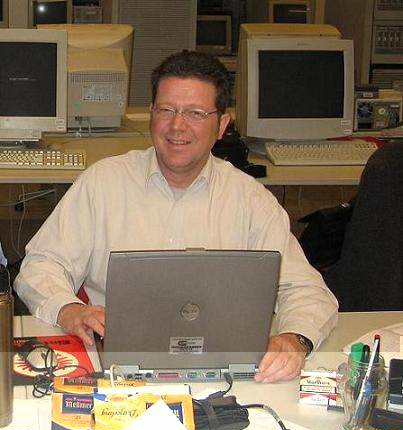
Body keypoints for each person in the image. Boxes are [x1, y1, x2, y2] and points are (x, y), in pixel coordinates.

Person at [14, 51, 338, 383]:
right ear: (151, 115)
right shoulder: (103, 183)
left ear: (221, 126)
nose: (177, 126)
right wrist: (68, 309)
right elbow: (41, 265)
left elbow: (307, 290)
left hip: (225, 369)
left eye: (195, 113)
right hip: (118, 369)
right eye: (166, 110)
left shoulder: (251, 201)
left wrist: (295, 339)